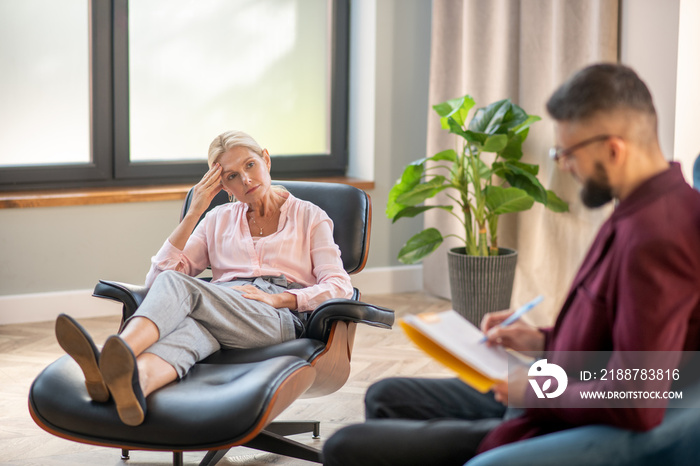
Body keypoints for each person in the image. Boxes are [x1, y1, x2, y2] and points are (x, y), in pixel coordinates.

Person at [322, 63, 700, 465]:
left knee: (345, 448)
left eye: (568, 153)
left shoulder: (658, 236)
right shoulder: (642, 209)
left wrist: (531, 391)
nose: (565, 166)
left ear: (613, 148)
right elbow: (615, 336)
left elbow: (638, 398)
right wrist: (540, 341)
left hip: (558, 417)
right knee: (385, 396)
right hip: (555, 384)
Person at [55, 130, 354, 426]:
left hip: (277, 316)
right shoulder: (217, 219)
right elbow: (155, 282)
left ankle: (108, 356)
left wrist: (281, 298)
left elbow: (340, 285)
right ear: (223, 186)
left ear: (266, 159)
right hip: (221, 307)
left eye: (250, 165)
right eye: (232, 176)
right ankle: (134, 388)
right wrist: (194, 213)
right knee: (190, 327)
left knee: (180, 287)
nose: (245, 180)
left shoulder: (309, 216)